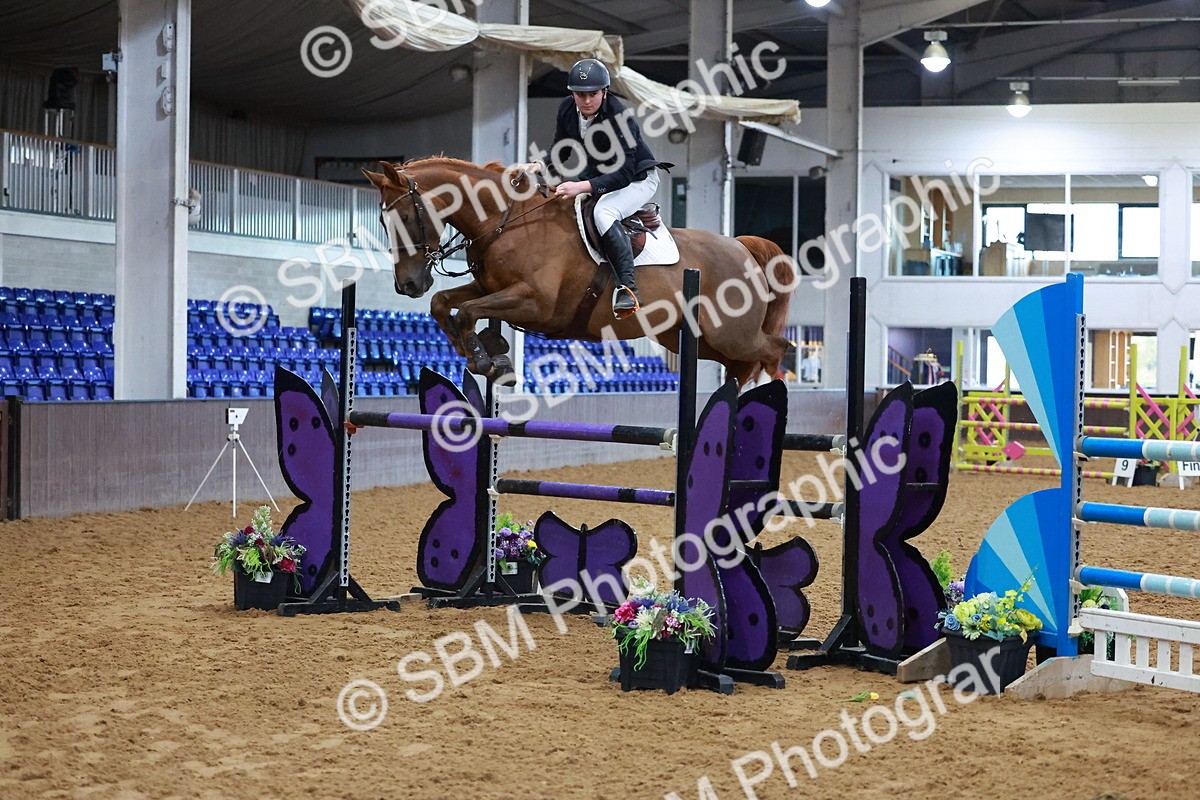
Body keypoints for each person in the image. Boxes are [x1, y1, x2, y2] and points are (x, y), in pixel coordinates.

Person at [544, 58, 670, 318]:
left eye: (593, 94)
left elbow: (624, 173)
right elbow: (561, 150)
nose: (586, 100)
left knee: (604, 213)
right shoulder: (567, 108)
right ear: (572, 94)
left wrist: (581, 186)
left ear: (604, 92)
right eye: (580, 94)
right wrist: (537, 166)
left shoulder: (619, 117)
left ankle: (628, 288)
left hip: (637, 179)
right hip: (600, 174)